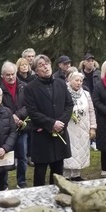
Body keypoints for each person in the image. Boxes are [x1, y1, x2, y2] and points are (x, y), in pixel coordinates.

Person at [24, 54, 73, 186]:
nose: (45, 67)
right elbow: (32, 112)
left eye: (46, 63)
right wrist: (51, 124)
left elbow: (69, 105)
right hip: (42, 135)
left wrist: (61, 123)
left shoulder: (61, 83)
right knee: (40, 171)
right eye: (41, 65)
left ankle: (57, 195)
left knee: (58, 170)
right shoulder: (30, 88)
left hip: (60, 133)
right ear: (35, 70)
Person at [0, 61, 29, 188]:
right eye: (8, 75)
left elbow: (29, 105)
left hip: (21, 126)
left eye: (13, 74)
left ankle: (21, 182)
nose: (11, 77)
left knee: (23, 156)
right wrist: (12, 116)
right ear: (2, 76)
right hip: (5, 128)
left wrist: (19, 116)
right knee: (5, 156)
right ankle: (3, 184)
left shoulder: (24, 87)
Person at [63, 71, 96, 181]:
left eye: (81, 81)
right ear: (70, 80)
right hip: (69, 127)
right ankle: (66, 175)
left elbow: (91, 111)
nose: (79, 83)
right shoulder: (64, 92)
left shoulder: (86, 94)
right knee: (69, 150)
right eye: (76, 80)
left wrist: (93, 127)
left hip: (83, 127)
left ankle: (76, 174)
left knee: (81, 150)